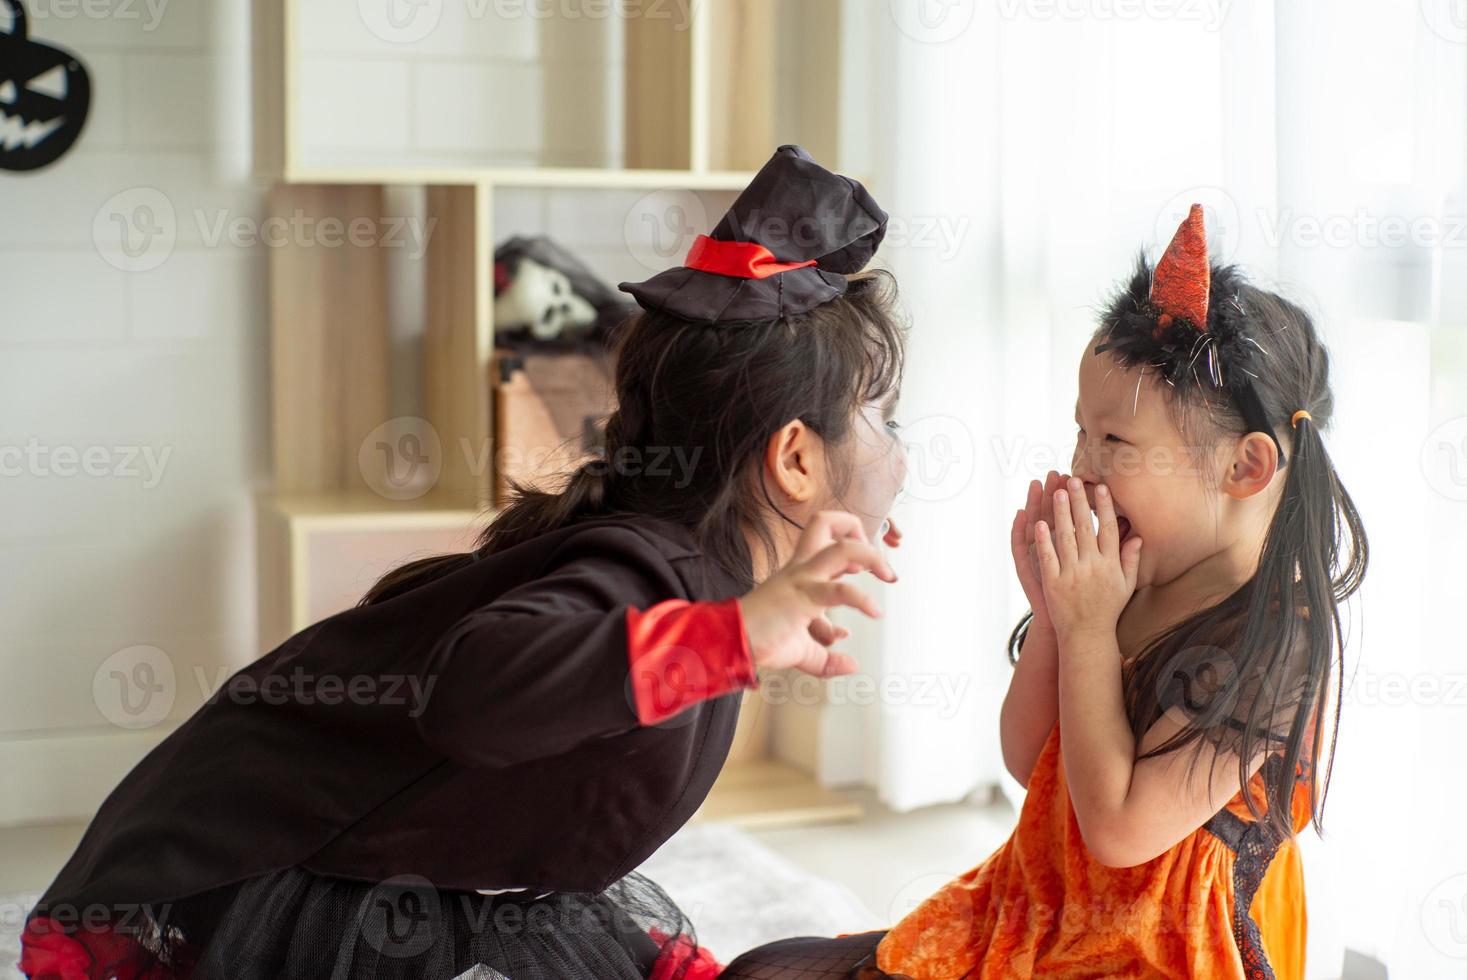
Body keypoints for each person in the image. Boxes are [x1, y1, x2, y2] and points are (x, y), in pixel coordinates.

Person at [21, 145, 909, 980]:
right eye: (887, 417)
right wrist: (737, 636)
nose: (898, 445)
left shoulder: (698, 577)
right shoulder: (651, 575)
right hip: (263, 868)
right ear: (794, 458)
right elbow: (476, 692)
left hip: (430, 860)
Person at [722, 204, 1367, 979]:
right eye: (1080, 433)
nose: (1083, 464)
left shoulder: (1274, 641)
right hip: (1043, 908)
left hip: (1163, 952)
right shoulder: (1127, 577)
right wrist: (1060, 623)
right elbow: (1033, 763)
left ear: (1244, 469)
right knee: (768, 969)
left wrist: (1091, 628)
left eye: (1116, 442)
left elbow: (1121, 830)